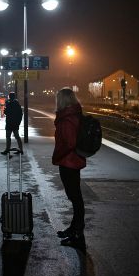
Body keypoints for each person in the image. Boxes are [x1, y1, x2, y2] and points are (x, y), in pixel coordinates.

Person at [52, 87, 87, 251]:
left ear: (63, 100)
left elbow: (70, 143)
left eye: (58, 98)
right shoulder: (73, 115)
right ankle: (74, 229)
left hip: (69, 162)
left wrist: (57, 155)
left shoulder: (67, 119)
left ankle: (78, 236)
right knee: (75, 198)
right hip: (72, 161)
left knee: (75, 198)